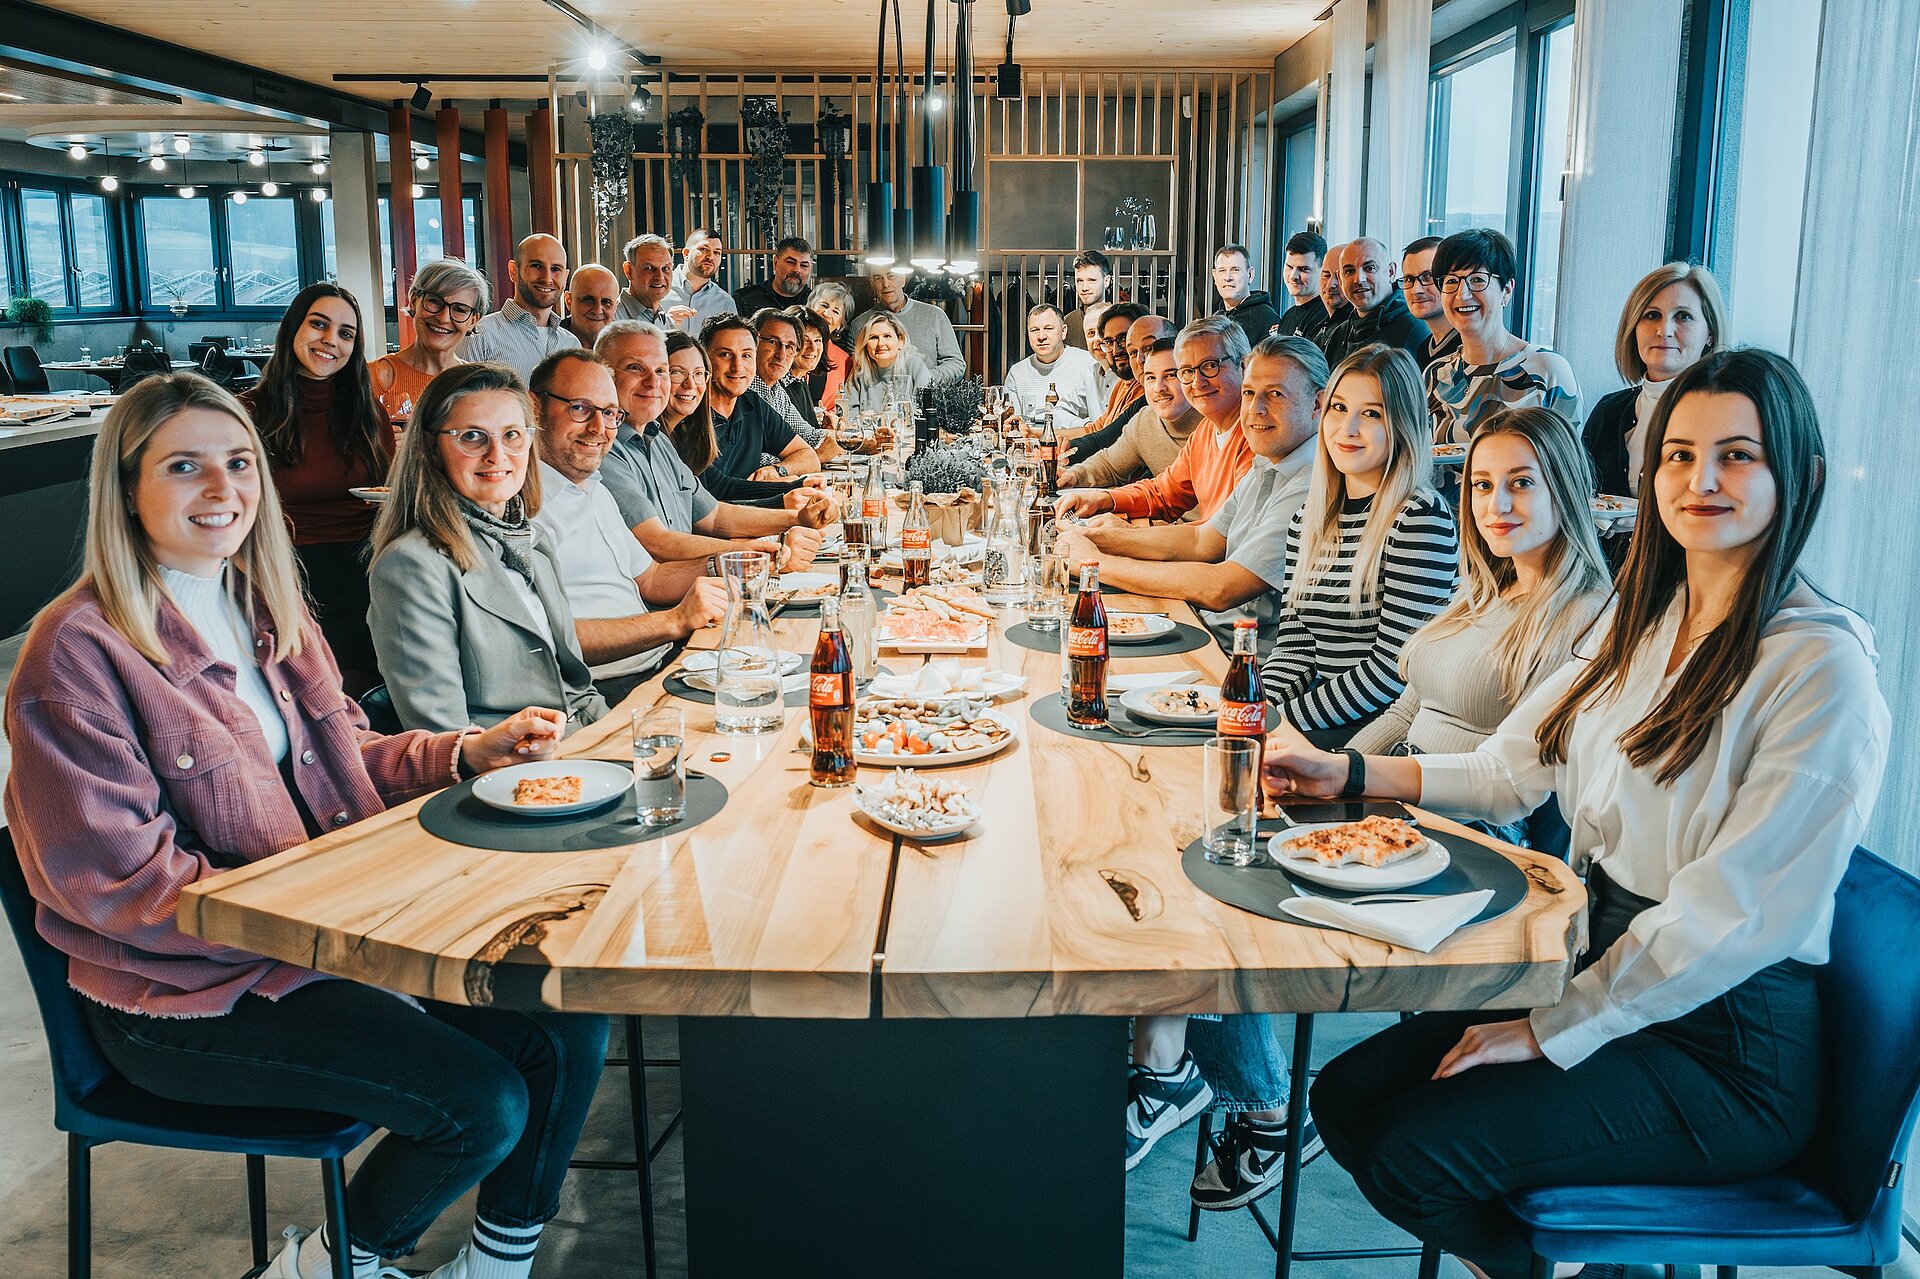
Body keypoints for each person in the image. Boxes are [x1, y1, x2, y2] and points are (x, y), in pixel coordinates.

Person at [1287, 348, 1887, 1279]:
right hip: (1605, 959)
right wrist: (1348, 773)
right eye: (1679, 455)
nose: (1701, 480)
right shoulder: (1645, 620)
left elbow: (1730, 917)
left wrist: (1550, 1025)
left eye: (1737, 455)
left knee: (1417, 1148)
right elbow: (1507, 770)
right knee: (1347, 1096)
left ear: (1798, 474)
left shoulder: (1821, 669)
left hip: (1725, 1046)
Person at [4, 372, 602, 1279]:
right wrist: (336, 926)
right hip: (183, 999)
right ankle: (325, 1267)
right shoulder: (75, 654)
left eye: (240, 462)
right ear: (125, 487)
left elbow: (346, 758)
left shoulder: (260, 601)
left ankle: (497, 1265)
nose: (224, 490)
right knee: (482, 1099)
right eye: (185, 467)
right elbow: (120, 886)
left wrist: (465, 753)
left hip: (330, 946)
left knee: (566, 1026)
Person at [1346, 407, 1612, 843]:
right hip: (1400, 803)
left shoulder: (1587, 616)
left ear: (1564, 490)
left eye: (1522, 483)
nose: (1496, 505)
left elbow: (1505, 785)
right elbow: (1406, 711)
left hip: (1473, 833)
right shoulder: (1482, 590)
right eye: (1483, 485)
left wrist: (1350, 775)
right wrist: (1335, 772)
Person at [367, 362, 608, 734]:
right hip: (509, 772)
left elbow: (577, 691)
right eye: (472, 437)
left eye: (512, 434)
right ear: (431, 448)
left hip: (580, 745)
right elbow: (445, 738)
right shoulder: (409, 566)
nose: (497, 455)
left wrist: (620, 739)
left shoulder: (533, 541)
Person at [1060, 335, 1330, 653]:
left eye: (1275, 394)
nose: (1256, 409)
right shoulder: (1268, 462)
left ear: (1318, 404)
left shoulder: (1310, 483)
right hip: (1209, 630)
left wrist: (1093, 563)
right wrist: (1094, 538)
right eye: (1250, 393)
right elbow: (1201, 541)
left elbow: (1222, 588)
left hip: (1243, 657)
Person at [1260, 344, 1459, 745]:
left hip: (1385, 730)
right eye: (1338, 408)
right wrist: (1255, 705)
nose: (1347, 428)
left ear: (1401, 425)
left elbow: (1391, 671)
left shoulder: (1420, 518)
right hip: (1322, 717)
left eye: (1371, 414)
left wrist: (1280, 722)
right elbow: (1294, 649)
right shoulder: (1309, 519)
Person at [527, 350, 728, 705]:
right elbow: (549, 640)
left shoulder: (596, 489)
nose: (598, 429)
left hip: (660, 665)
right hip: (602, 690)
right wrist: (675, 621)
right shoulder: (522, 506)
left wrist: (739, 563)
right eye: (579, 408)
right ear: (534, 408)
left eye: (608, 413)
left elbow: (651, 579)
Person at [241, 282, 391, 696]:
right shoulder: (249, 413)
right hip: (284, 569)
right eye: (319, 325)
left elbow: (386, 489)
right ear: (294, 329)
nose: (331, 341)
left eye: (346, 333)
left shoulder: (366, 411)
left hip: (366, 566)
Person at [593, 322, 826, 573]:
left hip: (697, 583)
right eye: (635, 368)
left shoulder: (658, 439)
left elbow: (713, 515)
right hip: (670, 592)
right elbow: (656, 543)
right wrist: (765, 550)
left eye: (661, 370)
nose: (652, 382)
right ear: (602, 375)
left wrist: (797, 518)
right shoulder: (602, 447)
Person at [1055, 314, 1254, 525]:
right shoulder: (1207, 431)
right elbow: (1163, 493)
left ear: (1244, 366)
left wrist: (1133, 531)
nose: (1198, 382)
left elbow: (1214, 538)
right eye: (1188, 371)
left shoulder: (1254, 435)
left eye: (1210, 366)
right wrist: (1103, 498)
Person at [1583, 261, 1728, 498]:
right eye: (1652, 315)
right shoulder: (1608, 412)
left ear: (1710, 333)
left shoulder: (1725, 416)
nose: (1664, 330)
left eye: (1683, 316)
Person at [1427, 228, 1580, 444]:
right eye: (1451, 281)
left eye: (1478, 279)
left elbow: (1567, 465)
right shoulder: (1435, 375)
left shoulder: (1547, 370)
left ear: (1507, 289)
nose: (1462, 294)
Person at [1060, 336, 1200, 488]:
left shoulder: (1214, 426)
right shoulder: (1145, 419)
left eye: (1170, 375)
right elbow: (1110, 465)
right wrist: (1073, 475)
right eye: (1151, 377)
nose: (1159, 388)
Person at [703, 314, 822, 482]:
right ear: (704, 358)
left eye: (746, 355)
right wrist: (785, 489)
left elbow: (809, 457)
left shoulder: (753, 403)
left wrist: (778, 471)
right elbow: (715, 492)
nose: (737, 367)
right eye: (725, 355)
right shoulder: (694, 413)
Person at [370, 258, 488, 425]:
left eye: (460, 310)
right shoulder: (371, 378)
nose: (443, 318)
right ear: (413, 301)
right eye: (434, 301)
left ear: (473, 321)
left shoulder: (480, 385)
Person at [458, 233, 579, 380]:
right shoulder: (480, 336)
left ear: (566, 277)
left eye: (556, 269)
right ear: (513, 271)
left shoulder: (572, 344)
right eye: (536, 266)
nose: (547, 278)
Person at [1066, 311, 1172, 464]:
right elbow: (1103, 443)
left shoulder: (1199, 421)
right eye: (1133, 352)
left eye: (1148, 348)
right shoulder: (1132, 396)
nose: (1140, 359)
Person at [1325, 237, 1430, 367]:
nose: (1359, 279)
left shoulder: (1415, 328)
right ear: (1340, 279)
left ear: (1391, 272)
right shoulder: (1339, 334)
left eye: (1370, 268)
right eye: (1349, 271)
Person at [1003, 302, 1105, 432]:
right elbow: (1013, 421)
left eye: (1048, 329)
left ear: (1063, 331)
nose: (1041, 337)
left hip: (1079, 442)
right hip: (1029, 444)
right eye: (1034, 330)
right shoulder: (1017, 373)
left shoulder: (1089, 364)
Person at [863, 269, 966, 378]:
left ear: (903, 279)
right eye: (878, 278)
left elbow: (956, 364)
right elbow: (857, 371)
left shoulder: (934, 315)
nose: (886, 284)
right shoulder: (859, 324)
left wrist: (925, 380)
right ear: (872, 284)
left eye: (891, 276)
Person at [838, 309, 936, 417]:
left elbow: (928, 411)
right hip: (869, 433)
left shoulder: (914, 366)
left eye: (887, 336)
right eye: (873, 338)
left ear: (900, 341)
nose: (880, 344)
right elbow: (848, 415)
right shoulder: (860, 372)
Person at [1401, 236, 1458, 370]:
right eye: (1409, 279)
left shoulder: (1469, 349)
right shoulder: (1424, 348)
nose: (1416, 290)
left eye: (1428, 277)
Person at [1212, 243, 1284, 343]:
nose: (1228, 277)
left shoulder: (1266, 317)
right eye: (1222, 270)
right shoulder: (1215, 320)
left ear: (1250, 275)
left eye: (1235, 270)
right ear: (1215, 276)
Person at [666, 227, 732, 333]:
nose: (711, 257)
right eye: (704, 249)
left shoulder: (725, 302)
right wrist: (665, 323)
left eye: (717, 252)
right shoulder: (659, 290)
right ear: (686, 253)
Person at [805, 280, 856, 411]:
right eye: (824, 305)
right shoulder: (789, 348)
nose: (827, 314)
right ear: (810, 307)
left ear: (841, 324)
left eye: (836, 311)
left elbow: (842, 405)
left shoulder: (845, 361)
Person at [732, 235, 815, 315]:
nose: (797, 270)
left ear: (810, 269)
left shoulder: (817, 303)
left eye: (804, 265)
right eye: (790, 262)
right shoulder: (745, 298)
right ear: (776, 262)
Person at [1276, 230, 1330, 338]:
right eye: (1289, 267)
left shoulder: (1324, 317)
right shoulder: (1288, 316)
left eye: (1304, 269)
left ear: (1323, 270)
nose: (1293, 276)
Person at [614, 233, 676, 326]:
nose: (660, 277)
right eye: (649, 268)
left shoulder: (667, 323)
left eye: (665, 268)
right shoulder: (612, 319)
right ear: (629, 271)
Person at [1062, 249, 1113, 350]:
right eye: (1079, 281)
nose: (1084, 287)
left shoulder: (1120, 320)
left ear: (1106, 281)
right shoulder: (1068, 322)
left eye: (1091, 280)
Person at [561, 262, 620, 349]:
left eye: (606, 302)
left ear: (615, 306)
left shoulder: (625, 347)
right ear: (569, 301)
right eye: (588, 300)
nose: (597, 311)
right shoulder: (549, 342)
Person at [1082, 302, 1119, 399]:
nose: (1097, 338)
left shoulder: (1130, 375)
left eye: (1102, 332)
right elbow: (1062, 409)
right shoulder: (1090, 374)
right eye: (1091, 333)